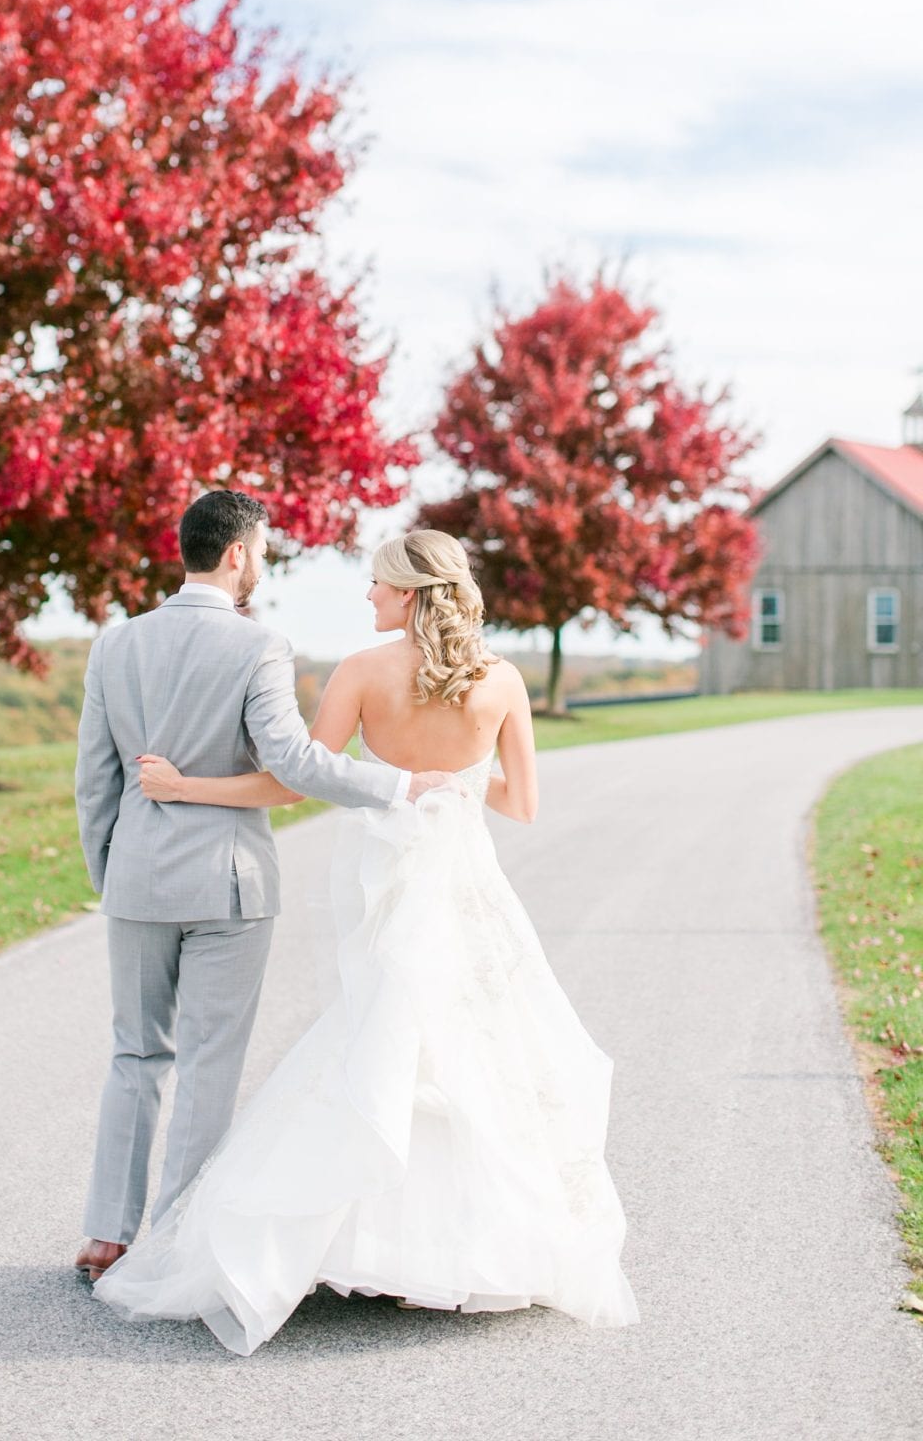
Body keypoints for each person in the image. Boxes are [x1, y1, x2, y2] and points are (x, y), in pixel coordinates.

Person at [92, 528, 640, 1352]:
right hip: (460, 883)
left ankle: (361, 1244)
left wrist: (182, 787)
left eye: (379, 586)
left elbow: (291, 779)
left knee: (381, 1040)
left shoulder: (361, 672)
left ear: (412, 594)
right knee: (460, 1051)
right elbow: (523, 804)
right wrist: (458, 776)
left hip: (387, 882)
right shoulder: (501, 681)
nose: (368, 598)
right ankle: (445, 1257)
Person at [73, 491, 450, 1285]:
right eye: (263, 551)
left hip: (138, 881)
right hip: (228, 889)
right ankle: (174, 1236)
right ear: (238, 554)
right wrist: (396, 786)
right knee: (209, 1062)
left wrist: (115, 875)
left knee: (134, 1053)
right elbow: (296, 762)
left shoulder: (115, 646)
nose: (264, 563)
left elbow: (93, 784)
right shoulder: (259, 646)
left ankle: (107, 1234)